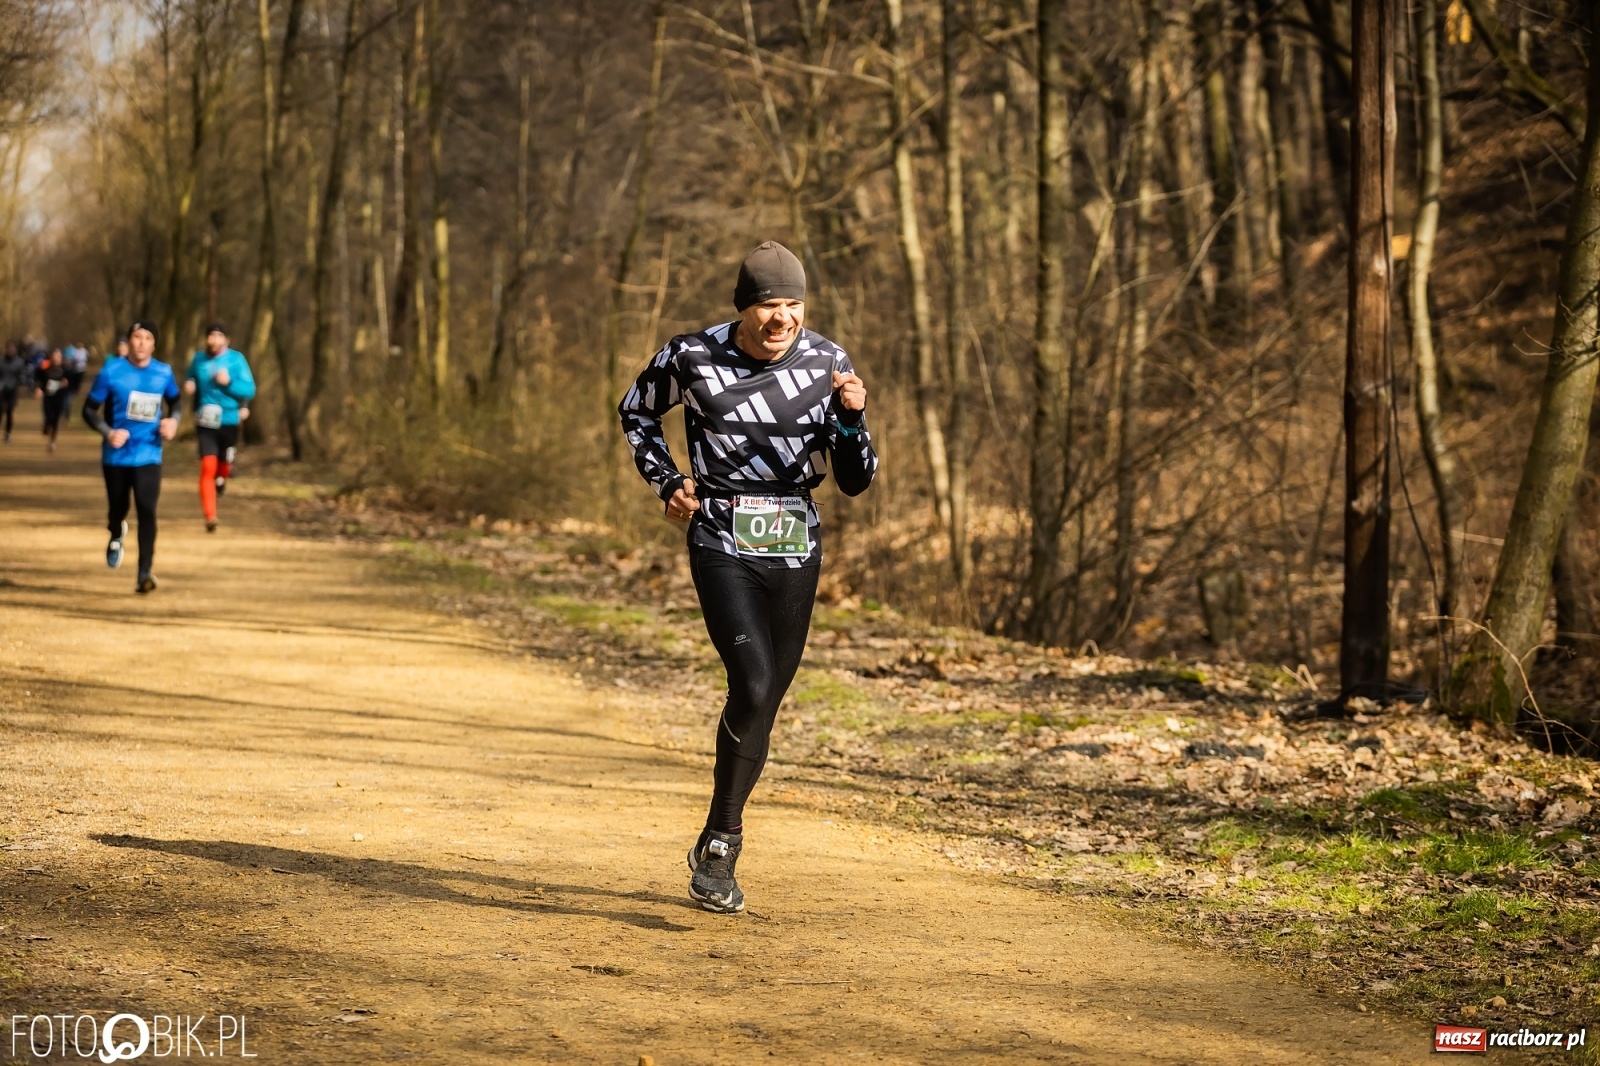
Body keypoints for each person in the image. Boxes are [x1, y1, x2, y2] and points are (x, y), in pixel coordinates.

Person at [618, 241, 877, 914]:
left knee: (765, 701)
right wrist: (668, 481)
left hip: (795, 541)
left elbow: (855, 480)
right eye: (768, 305)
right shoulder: (692, 356)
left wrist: (850, 421)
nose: (781, 319)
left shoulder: (827, 363)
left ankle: (713, 841)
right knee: (752, 681)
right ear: (745, 307)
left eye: (792, 305)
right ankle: (726, 842)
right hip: (722, 534)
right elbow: (636, 410)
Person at [82, 321, 180, 594]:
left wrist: (174, 421)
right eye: (137, 337)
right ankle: (116, 531)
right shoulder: (112, 371)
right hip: (116, 456)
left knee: (147, 509)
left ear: (154, 344)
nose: (141, 342)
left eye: (147, 338)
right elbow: (89, 411)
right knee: (117, 507)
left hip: (149, 452)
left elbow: (177, 401)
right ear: (129, 341)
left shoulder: (163, 373)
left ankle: (144, 572)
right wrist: (108, 431)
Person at [183, 323, 256, 532]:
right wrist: (190, 384)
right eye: (210, 336)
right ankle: (210, 516)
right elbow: (191, 376)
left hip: (230, 419)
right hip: (205, 420)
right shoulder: (198, 359)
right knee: (207, 467)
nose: (213, 340)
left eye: (218, 336)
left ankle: (223, 476)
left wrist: (228, 382)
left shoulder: (236, 359)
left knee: (223, 465)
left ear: (226, 340)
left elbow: (250, 389)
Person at [34, 348, 69, 452]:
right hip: (48, 396)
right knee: (49, 416)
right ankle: (46, 425)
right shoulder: (45, 366)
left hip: (59, 396)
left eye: (58, 356)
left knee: (56, 419)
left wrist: (66, 383)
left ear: (61, 357)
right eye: (54, 355)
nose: (56, 358)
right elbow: (38, 379)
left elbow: (69, 381)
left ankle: (52, 442)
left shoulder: (65, 368)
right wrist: (39, 389)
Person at [0, 342, 27, 443]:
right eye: (8, 349)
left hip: (12, 390)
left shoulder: (19, 362)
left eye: (12, 349)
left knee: (9, 412)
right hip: (1, 389)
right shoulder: (1, 361)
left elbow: (22, 375)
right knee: (0, 411)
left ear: (15, 350)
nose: (10, 351)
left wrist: (22, 380)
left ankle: (7, 434)